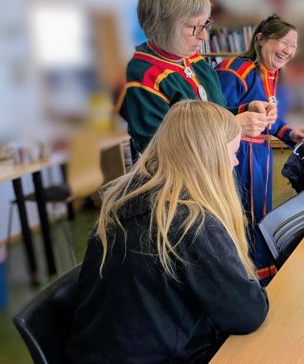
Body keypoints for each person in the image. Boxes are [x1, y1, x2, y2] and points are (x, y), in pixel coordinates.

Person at [67, 101, 268, 363]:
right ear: (210, 158)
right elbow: (248, 312)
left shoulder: (124, 198)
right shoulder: (190, 221)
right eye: (232, 152)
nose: (235, 162)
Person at [116, 0, 275, 158]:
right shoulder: (144, 78)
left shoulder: (194, 60)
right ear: (162, 27)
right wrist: (233, 127)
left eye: (206, 24)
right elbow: (160, 151)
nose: (204, 37)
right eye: (194, 27)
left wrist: (243, 111)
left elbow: (213, 114)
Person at [215, 14, 304, 284]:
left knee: (260, 215)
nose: (289, 50)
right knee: (238, 216)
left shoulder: (275, 76)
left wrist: (290, 132)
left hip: (260, 157)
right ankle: (243, 279)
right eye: (283, 42)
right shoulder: (235, 70)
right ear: (260, 39)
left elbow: (274, 120)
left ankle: (263, 274)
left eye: (293, 46)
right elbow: (214, 115)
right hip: (234, 156)